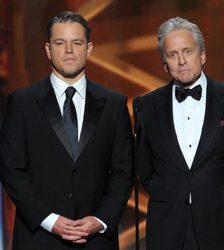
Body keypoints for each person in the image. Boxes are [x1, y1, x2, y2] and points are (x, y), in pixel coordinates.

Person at [0, 11, 133, 250]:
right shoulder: (22, 103)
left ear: (89, 48)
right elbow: (11, 169)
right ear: (48, 50)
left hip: (96, 241)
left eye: (77, 43)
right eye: (60, 43)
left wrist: (100, 219)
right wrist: (50, 220)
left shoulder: (114, 104)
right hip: (38, 239)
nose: (69, 50)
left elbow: (124, 172)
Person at [133, 17, 224, 250]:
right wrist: (171, 194)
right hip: (168, 228)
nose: (182, 60)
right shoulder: (145, 106)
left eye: (187, 51)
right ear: (164, 64)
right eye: (173, 54)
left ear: (203, 55)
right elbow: (145, 170)